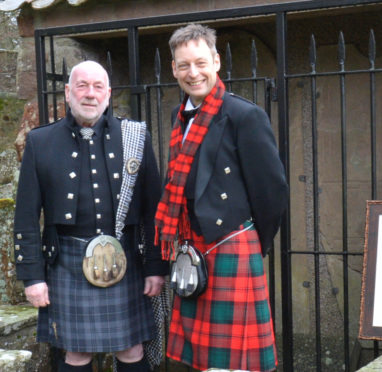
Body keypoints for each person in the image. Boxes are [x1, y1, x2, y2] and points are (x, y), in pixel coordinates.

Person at [13, 60, 168, 372]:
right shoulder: (41, 142)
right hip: (67, 263)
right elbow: (26, 216)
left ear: (108, 94)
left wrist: (156, 266)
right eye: (82, 86)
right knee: (76, 354)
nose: (90, 94)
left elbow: (155, 210)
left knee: (132, 348)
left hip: (126, 260)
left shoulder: (134, 137)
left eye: (98, 87)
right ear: (69, 93)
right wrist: (32, 277)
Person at [156, 24, 288, 372]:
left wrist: (251, 240)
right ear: (174, 69)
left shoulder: (244, 115)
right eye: (183, 65)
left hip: (230, 243)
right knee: (203, 361)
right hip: (192, 247)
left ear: (216, 62)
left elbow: (272, 191)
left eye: (200, 62)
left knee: (232, 365)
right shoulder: (179, 115)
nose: (193, 72)